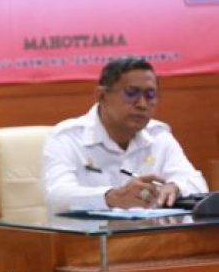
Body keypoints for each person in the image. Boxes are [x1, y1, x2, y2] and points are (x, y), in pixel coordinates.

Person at [43, 56, 208, 213]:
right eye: (131, 92)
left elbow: (197, 183)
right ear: (101, 96)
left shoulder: (158, 136)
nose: (142, 104)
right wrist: (111, 197)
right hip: (91, 233)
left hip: (151, 231)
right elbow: (56, 196)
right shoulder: (68, 137)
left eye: (150, 94)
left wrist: (176, 187)